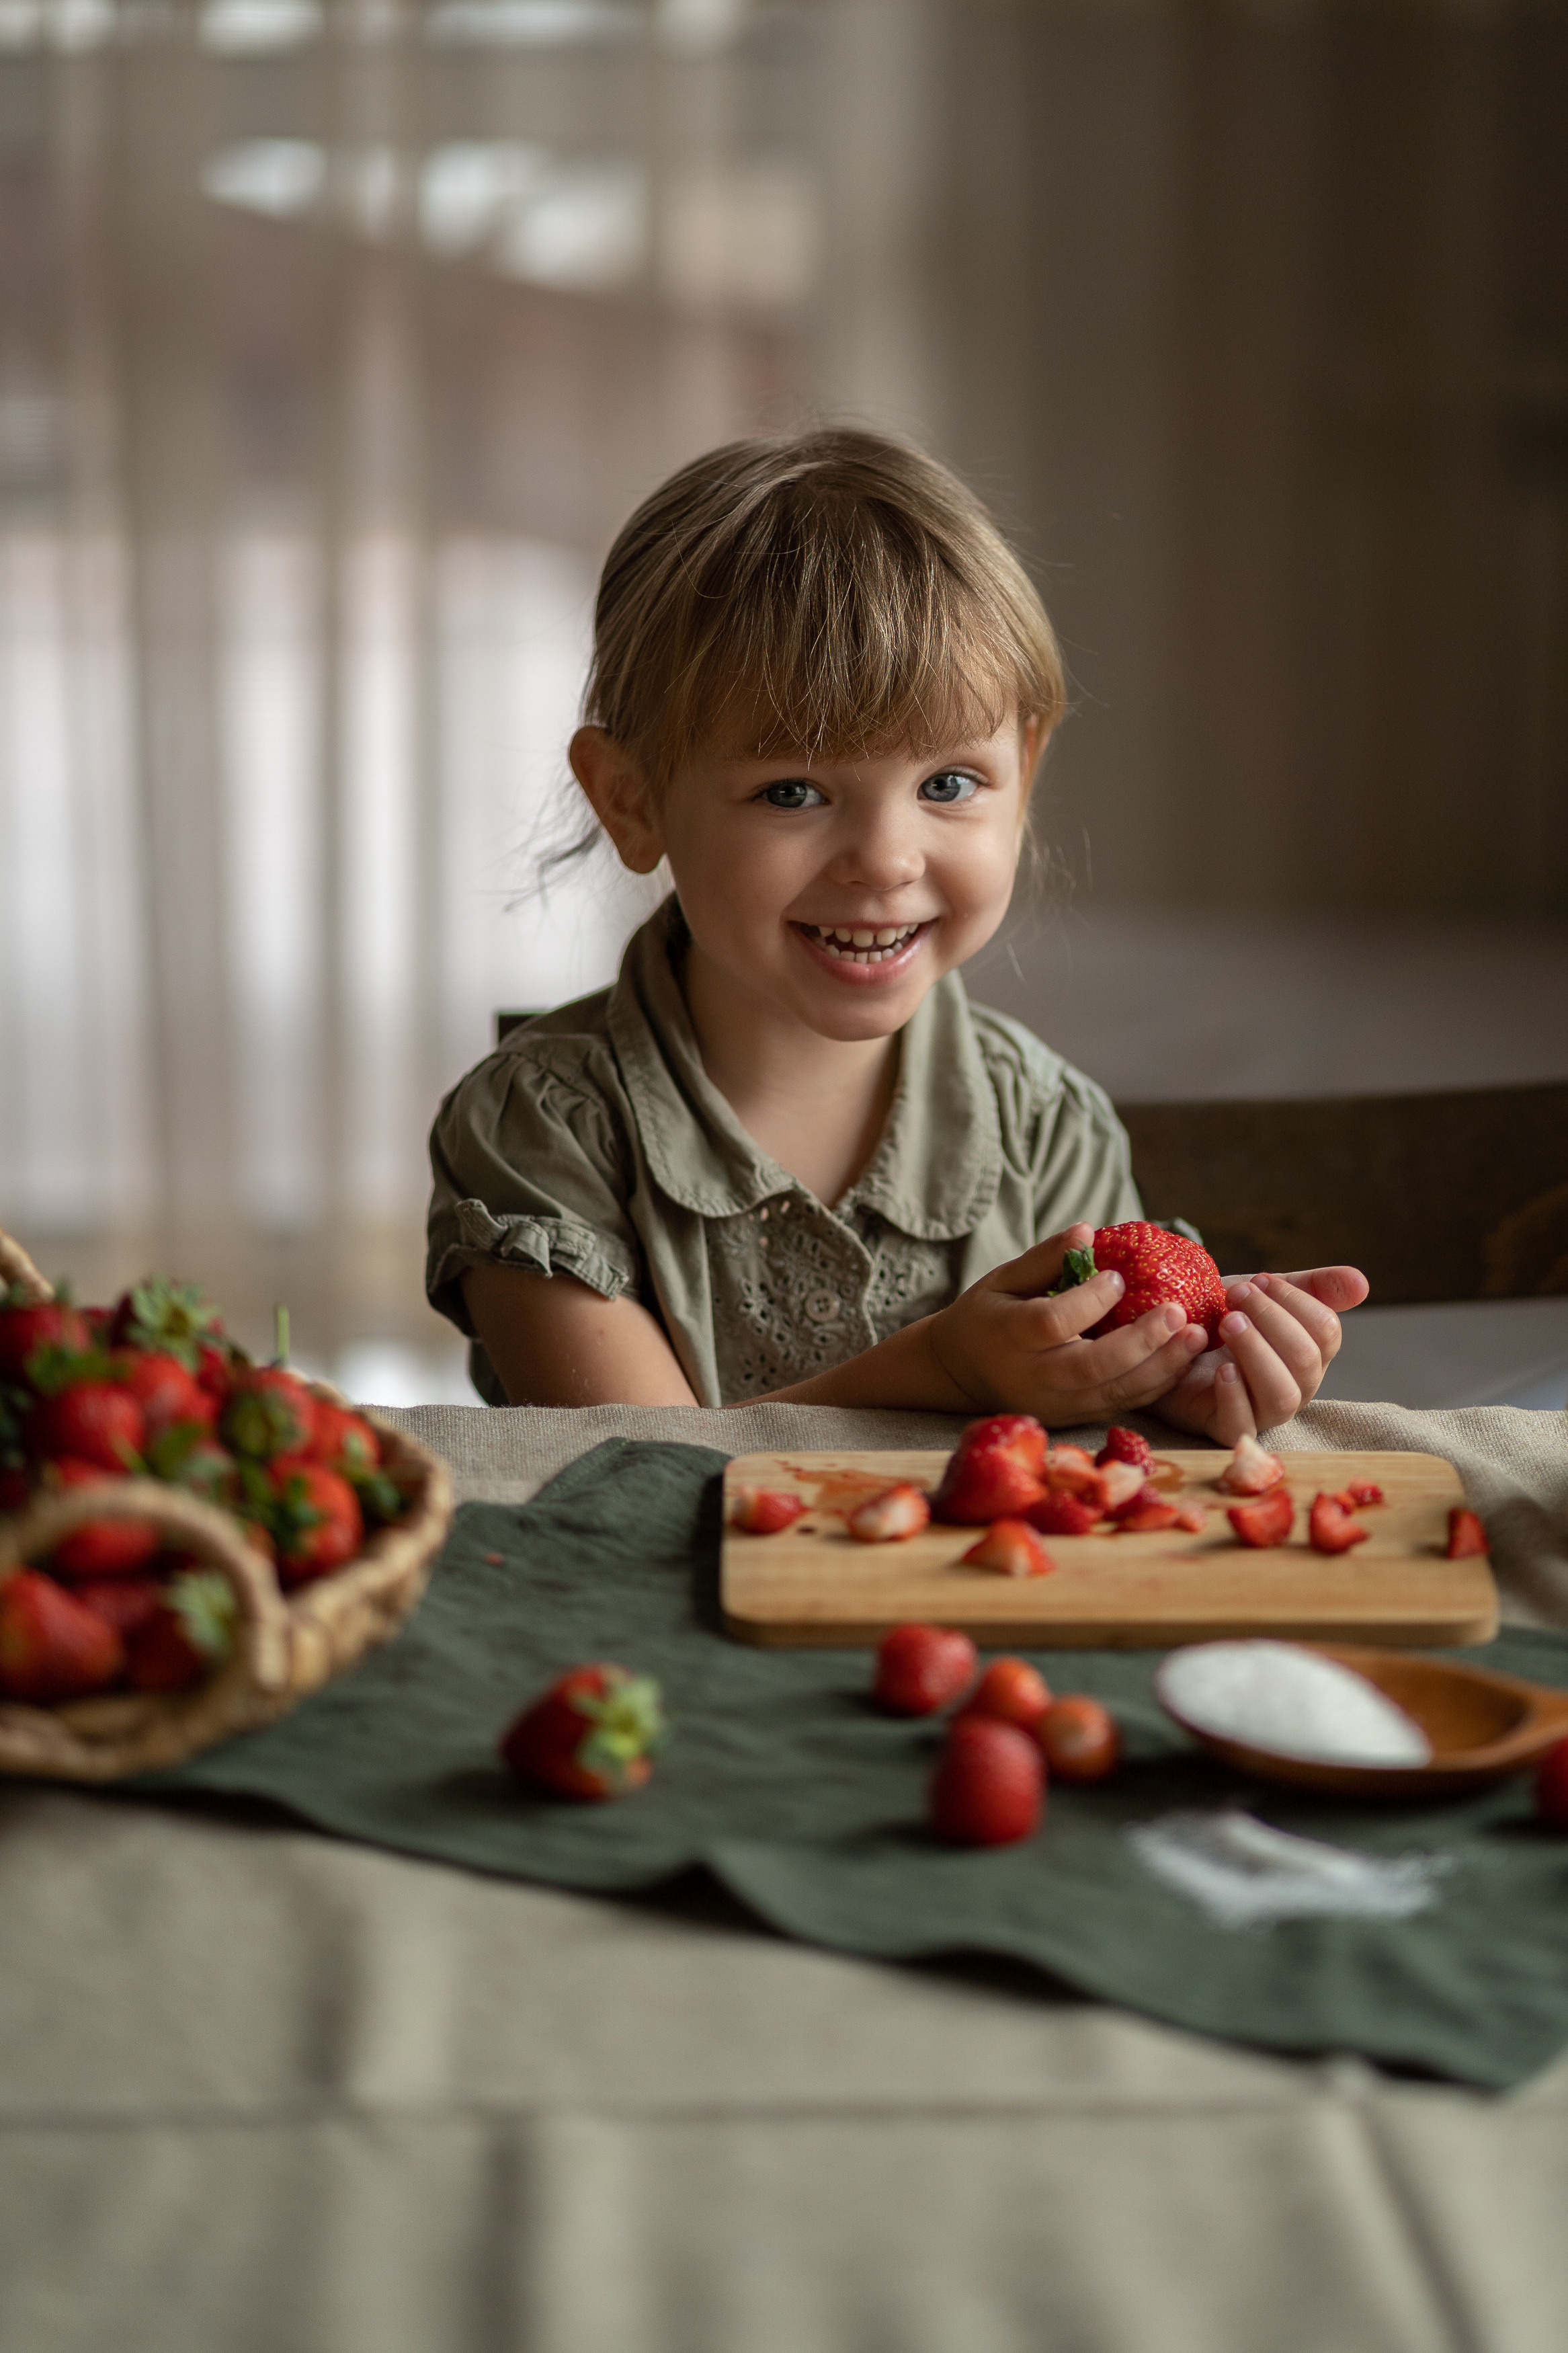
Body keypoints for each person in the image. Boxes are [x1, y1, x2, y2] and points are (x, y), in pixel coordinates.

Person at [427, 428, 1366, 1433]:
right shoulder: (540, 1129)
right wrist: (943, 1371)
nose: (884, 861)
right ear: (631, 800)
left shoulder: (1048, 1130)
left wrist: (1180, 1388)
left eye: (948, 784)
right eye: (792, 791)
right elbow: (636, 1466)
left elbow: (1094, 1450)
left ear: (1024, 774)